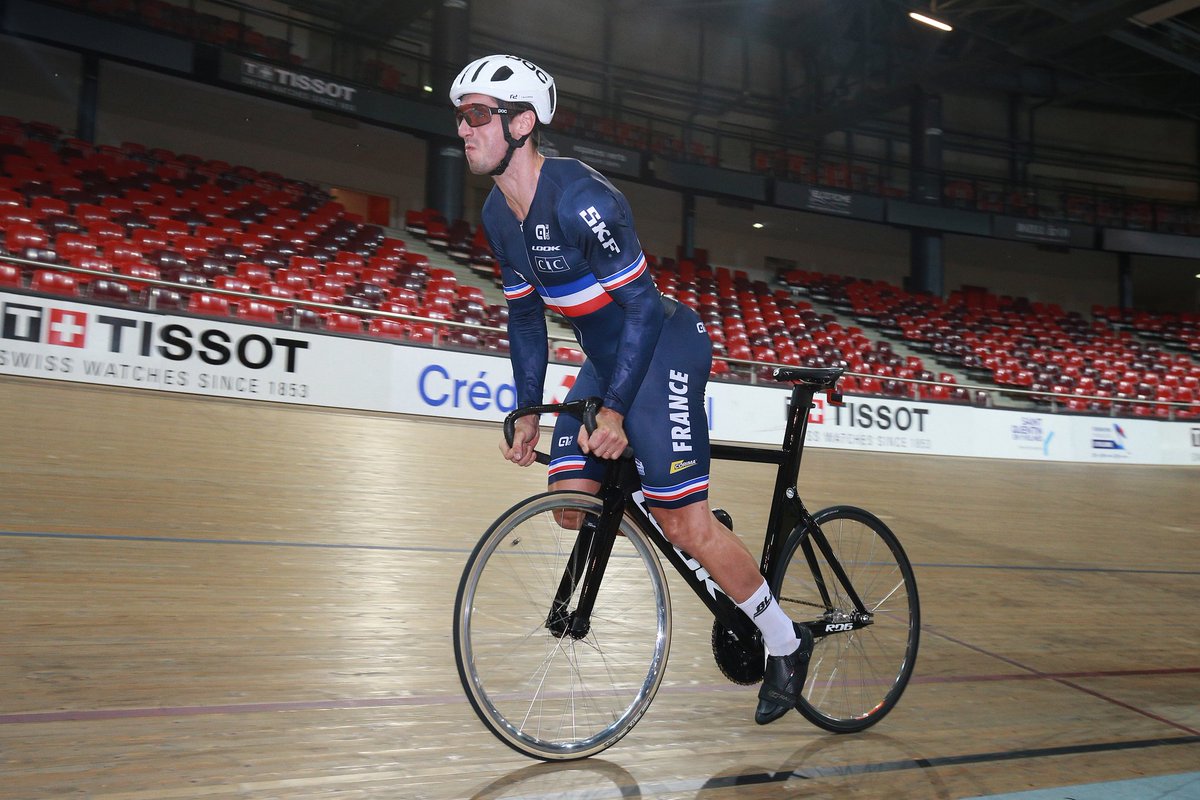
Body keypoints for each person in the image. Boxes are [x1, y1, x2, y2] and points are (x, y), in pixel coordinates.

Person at [451, 54, 812, 724]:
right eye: (462, 117)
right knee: (568, 506)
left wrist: (616, 410)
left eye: (478, 116)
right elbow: (526, 315)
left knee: (685, 523)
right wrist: (528, 409)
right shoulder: (499, 216)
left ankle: (787, 642)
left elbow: (643, 309)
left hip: (664, 347)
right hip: (607, 354)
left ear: (523, 122)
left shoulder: (585, 200)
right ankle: (680, 506)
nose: (464, 130)